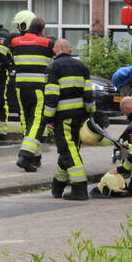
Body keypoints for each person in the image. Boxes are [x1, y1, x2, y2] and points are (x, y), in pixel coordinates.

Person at [43, 38, 94, 201]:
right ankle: (57, 187)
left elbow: (52, 95)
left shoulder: (53, 67)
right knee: (70, 149)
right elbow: (89, 94)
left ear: (55, 51)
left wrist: (47, 118)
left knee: (67, 150)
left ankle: (79, 189)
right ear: (70, 51)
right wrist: (91, 114)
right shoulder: (82, 67)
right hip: (79, 117)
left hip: (63, 117)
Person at [10, 15, 55, 171]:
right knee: (37, 121)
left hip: (20, 86)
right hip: (38, 87)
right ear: (41, 29)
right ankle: (25, 155)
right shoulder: (46, 43)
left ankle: (34, 158)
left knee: (25, 119)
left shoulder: (15, 41)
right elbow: (55, 54)